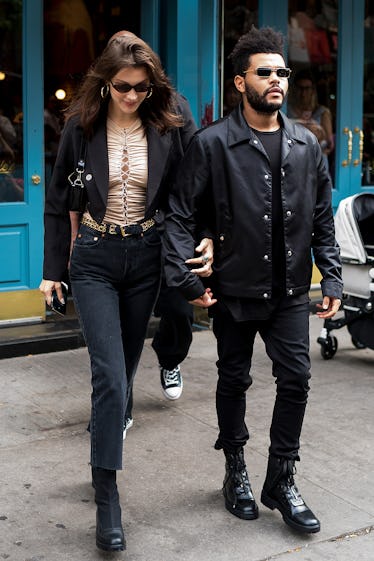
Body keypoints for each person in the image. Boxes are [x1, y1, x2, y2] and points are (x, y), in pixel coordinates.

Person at [163, 26, 342, 533]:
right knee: (233, 380)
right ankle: (235, 471)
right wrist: (189, 281)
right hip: (233, 291)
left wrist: (330, 279)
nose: (276, 80)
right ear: (240, 82)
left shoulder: (306, 144)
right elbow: (179, 216)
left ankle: (281, 478)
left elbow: (323, 219)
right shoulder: (211, 144)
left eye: (282, 71)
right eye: (265, 72)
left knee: (298, 380)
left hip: (289, 292)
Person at [40, 32, 212, 552]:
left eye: (141, 87)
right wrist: (54, 270)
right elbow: (57, 200)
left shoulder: (169, 123)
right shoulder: (81, 126)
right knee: (110, 375)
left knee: (126, 370)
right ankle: (108, 493)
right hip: (93, 256)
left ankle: (104, 443)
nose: (132, 96)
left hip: (146, 258)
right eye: (123, 87)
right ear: (105, 82)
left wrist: (203, 237)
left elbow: (194, 189)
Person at [288, 69, 334, 171]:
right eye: (300, 88)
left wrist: (320, 134)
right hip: (293, 163)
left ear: (313, 90)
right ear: (295, 89)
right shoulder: (287, 110)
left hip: (316, 164)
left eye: (307, 88)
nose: (303, 93)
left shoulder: (322, 112)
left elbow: (329, 146)